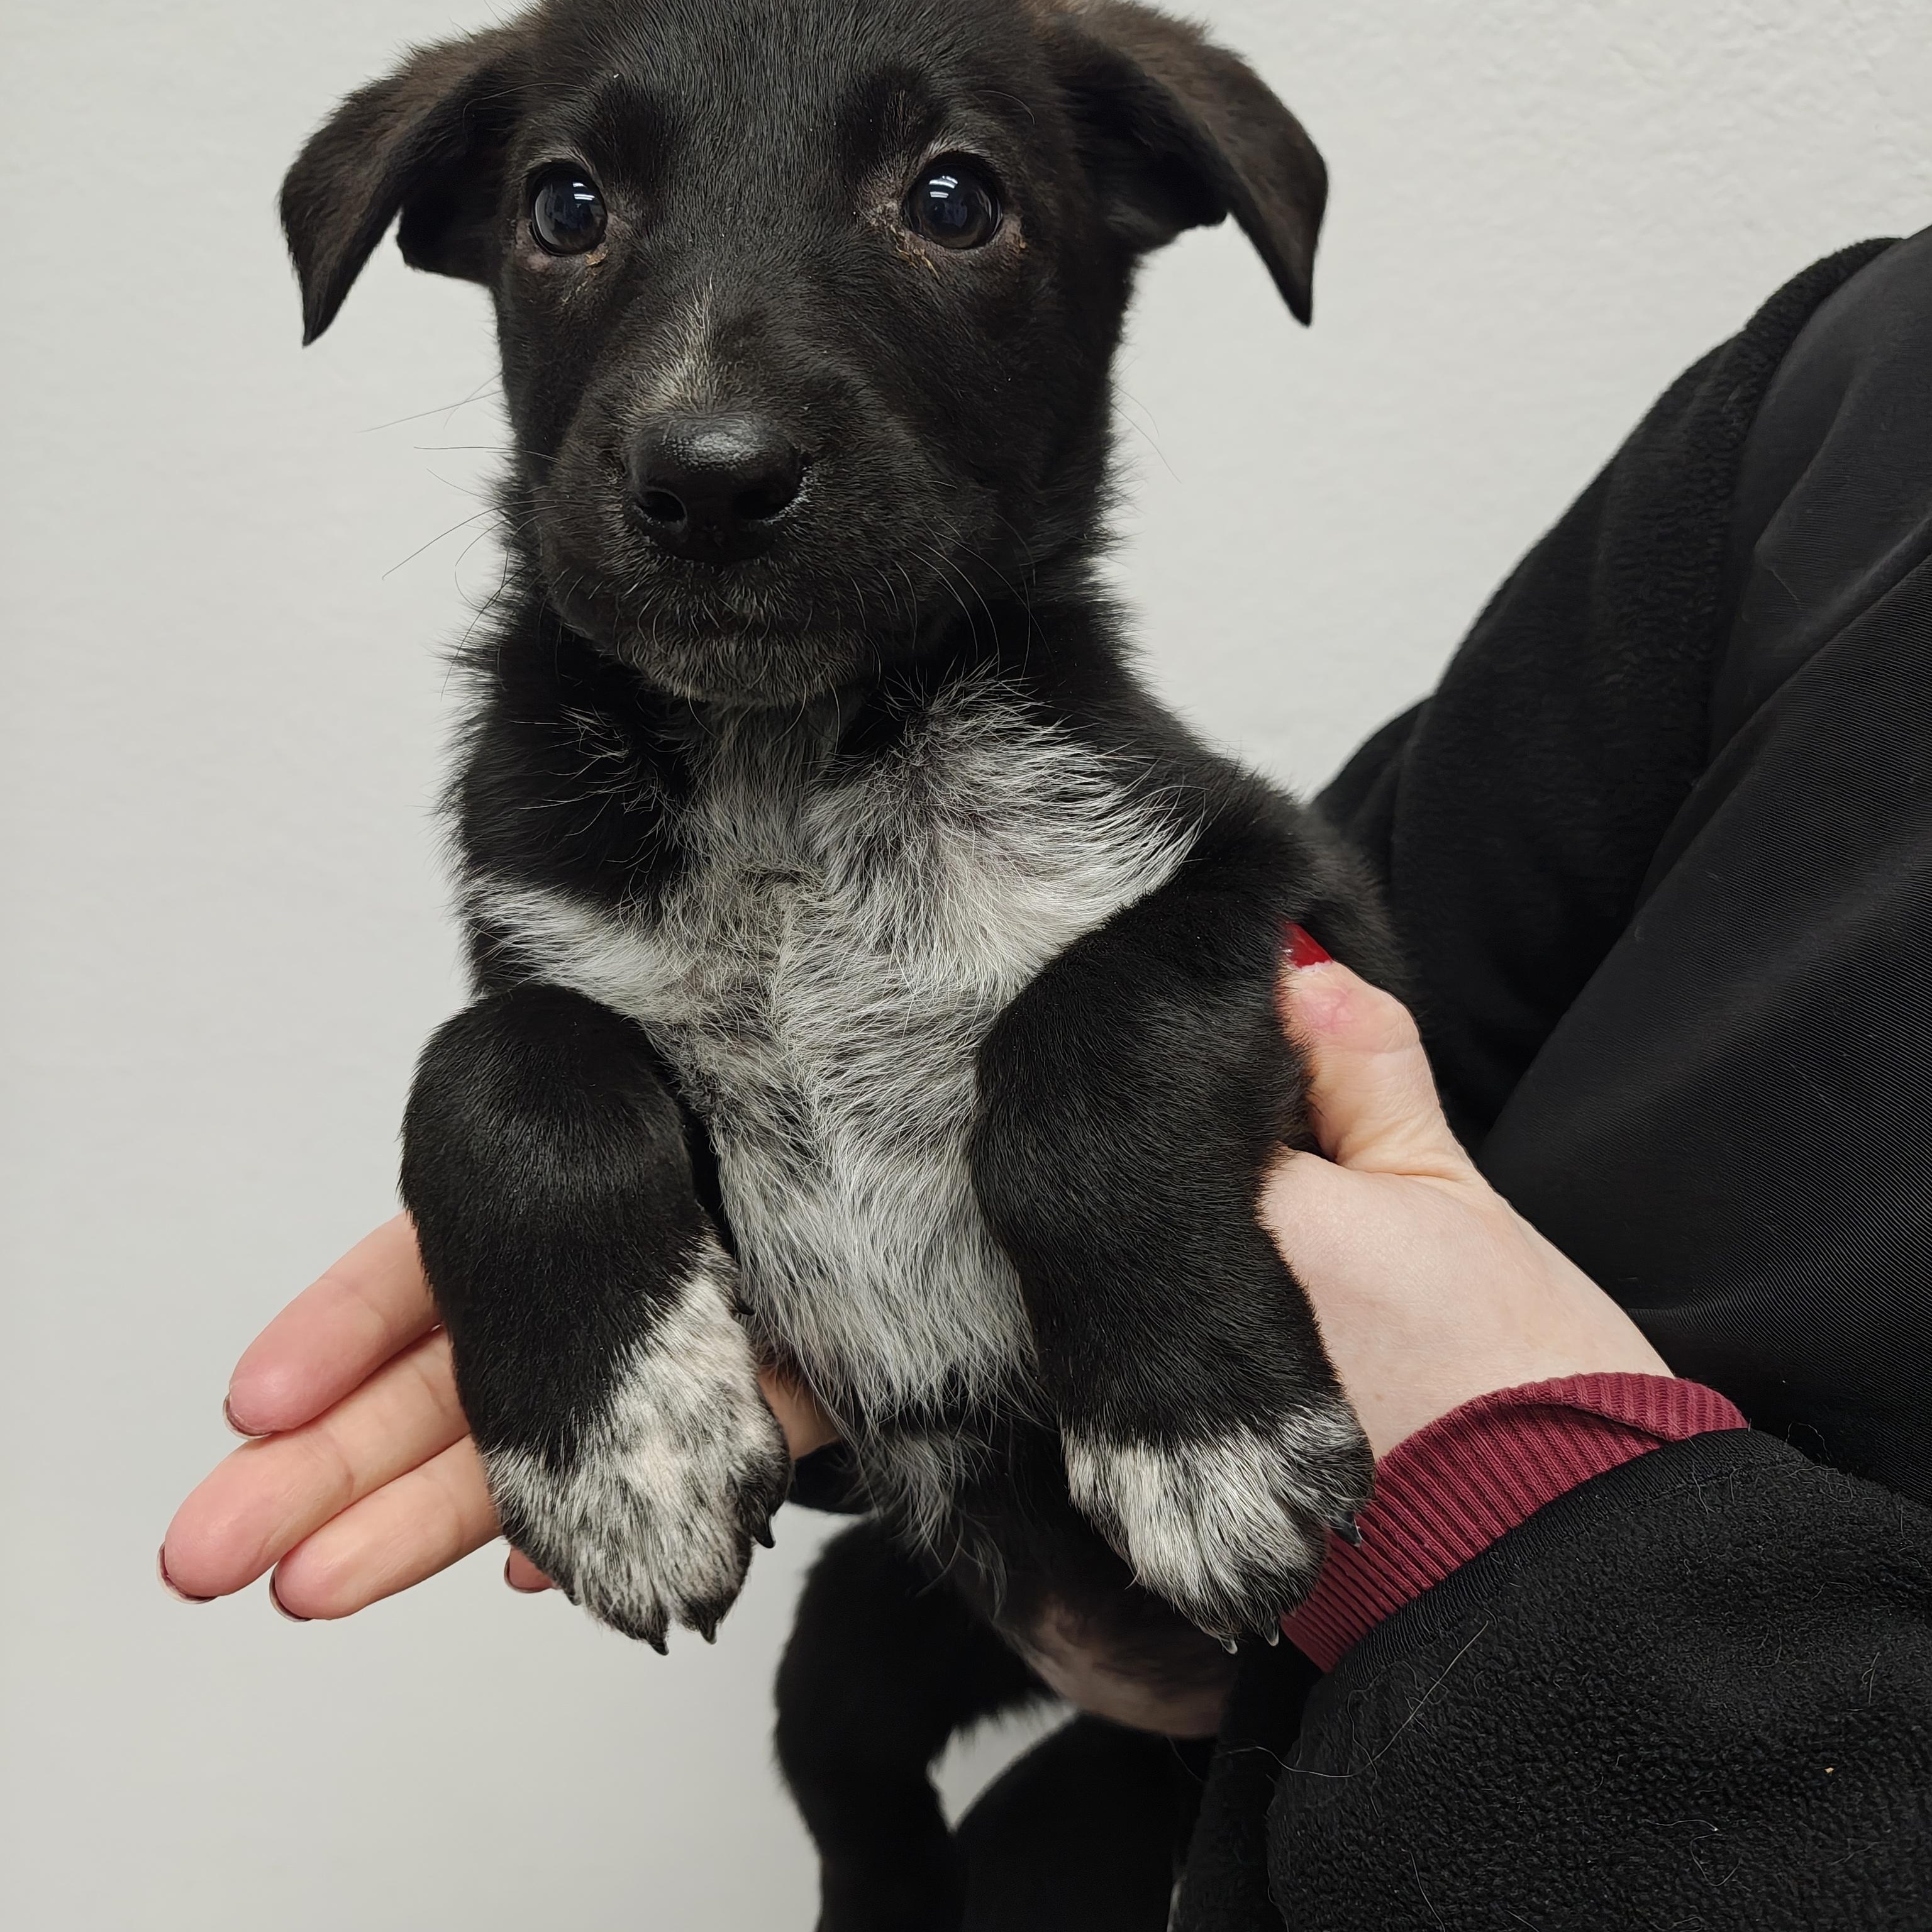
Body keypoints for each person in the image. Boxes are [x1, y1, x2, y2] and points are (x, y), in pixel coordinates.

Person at [162, 228, 1932, 1926]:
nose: (712, 418)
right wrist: (693, 1224)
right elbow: (1349, 949)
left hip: (1583, 1756)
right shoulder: (1861, 397)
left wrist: (1510, 1508)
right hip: (1153, 1780)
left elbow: (1250, 934)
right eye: (571, 205)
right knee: (840, 1704)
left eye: (947, 199)